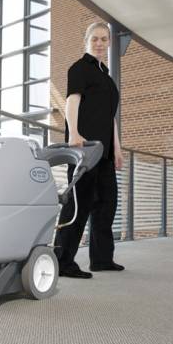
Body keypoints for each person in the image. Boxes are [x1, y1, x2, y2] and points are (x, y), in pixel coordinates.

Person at [54, 22, 125, 279]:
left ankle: (102, 259)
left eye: (104, 39)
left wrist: (117, 148)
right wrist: (73, 133)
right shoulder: (80, 68)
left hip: (104, 153)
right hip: (84, 149)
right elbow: (72, 101)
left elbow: (109, 118)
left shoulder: (106, 78)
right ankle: (62, 261)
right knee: (79, 204)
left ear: (109, 42)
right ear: (86, 40)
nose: (99, 43)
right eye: (95, 38)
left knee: (107, 204)